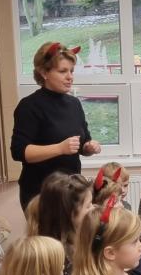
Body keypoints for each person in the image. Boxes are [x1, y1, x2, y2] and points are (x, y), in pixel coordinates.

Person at [10, 41, 102, 210]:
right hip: (40, 193)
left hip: (72, 191)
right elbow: (19, 151)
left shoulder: (74, 104)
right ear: (44, 73)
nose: (70, 77)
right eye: (62, 71)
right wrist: (59, 148)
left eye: (71, 71)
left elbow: (82, 143)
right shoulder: (29, 106)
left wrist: (88, 147)